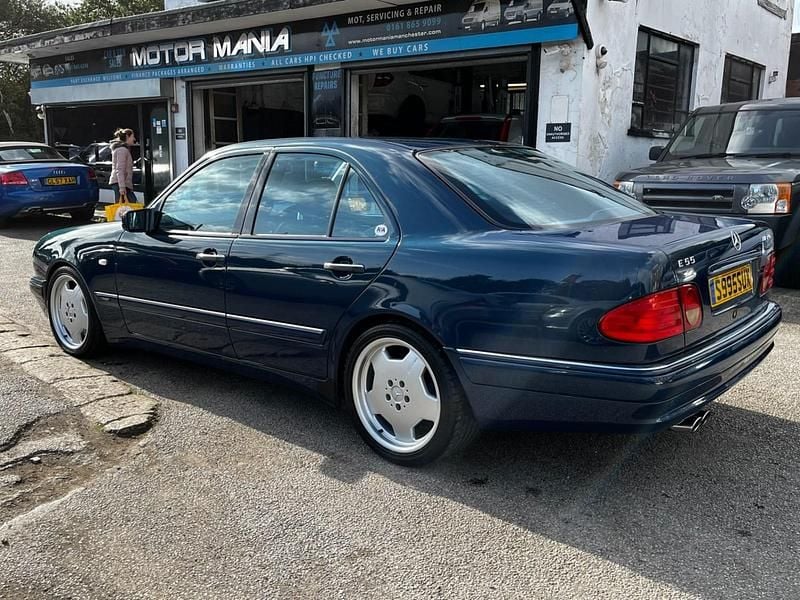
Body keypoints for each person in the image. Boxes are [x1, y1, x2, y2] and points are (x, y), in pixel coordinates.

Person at [109, 128, 137, 203]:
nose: (134, 139)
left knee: (126, 208)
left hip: (122, 183)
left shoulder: (122, 149)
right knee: (128, 207)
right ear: (127, 137)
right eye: (132, 136)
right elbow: (120, 169)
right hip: (121, 183)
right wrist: (122, 187)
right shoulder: (122, 150)